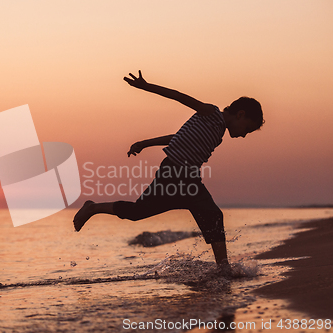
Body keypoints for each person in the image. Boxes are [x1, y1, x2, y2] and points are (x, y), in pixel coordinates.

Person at [73, 70, 264, 271]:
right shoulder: (211, 113)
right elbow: (178, 96)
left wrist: (145, 143)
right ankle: (92, 208)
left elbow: (178, 137)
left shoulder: (217, 133)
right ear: (240, 114)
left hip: (186, 178)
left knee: (204, 215)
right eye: (247, 129)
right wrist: (146, 86)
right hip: (175, 173)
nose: (244, 135)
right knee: (204, 214)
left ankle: (223, 267)